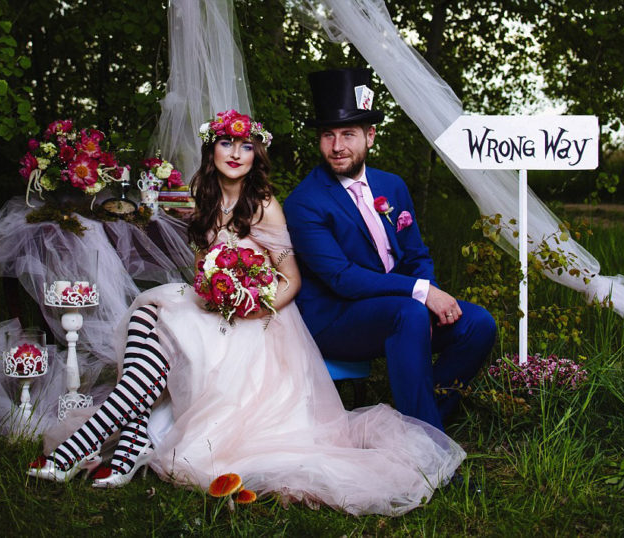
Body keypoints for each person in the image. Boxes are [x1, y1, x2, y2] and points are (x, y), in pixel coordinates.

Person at [29, 109, 465, 516]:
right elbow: (165, 232)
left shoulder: (263, 206)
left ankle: (84, 449)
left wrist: (250, 304)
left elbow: (291, 279)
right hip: (208, 306)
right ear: (212, 150)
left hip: (256, 320)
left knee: (160, 333)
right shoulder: (200, 196)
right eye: (225, 144)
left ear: (256, 154)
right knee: (150, 315)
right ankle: (122, 452)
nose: (235, 154)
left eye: (246, 147)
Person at [283, 68, 497, 433]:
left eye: (348, 134)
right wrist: (421, 294)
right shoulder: (304, 202)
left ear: (370, 136)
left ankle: (416, 427)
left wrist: (424, 292)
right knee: (407, 315)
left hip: (397, 307)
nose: (337, 147)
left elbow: (416, 255)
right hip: (335, 319)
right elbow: (342, 278)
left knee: (478, 325)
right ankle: (430, 453)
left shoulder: (392, 186)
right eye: (327, 136)